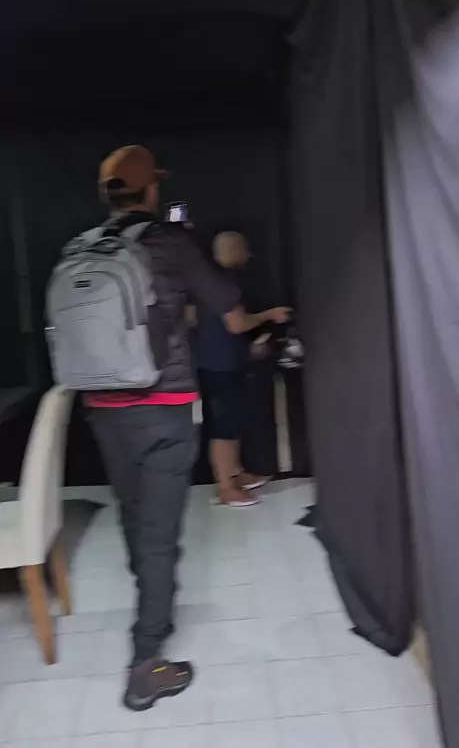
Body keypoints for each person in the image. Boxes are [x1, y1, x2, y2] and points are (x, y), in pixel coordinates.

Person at [85, 145, 289, 712]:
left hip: (102, 407)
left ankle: (149, 605)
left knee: (134, 518)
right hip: (162, 403)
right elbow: (228, 310)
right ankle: (146, 663)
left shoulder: (85, 246)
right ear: (151, 190)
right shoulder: (170, 242)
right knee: (160, 533)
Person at [197, 231, 289, 506]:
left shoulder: (209, 282)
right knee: (224, 427)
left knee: (232, 422)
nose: (248, 255)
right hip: (220, 366)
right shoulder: (223, 284)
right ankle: (226, 489)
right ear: (234, 250)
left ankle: (235, 474)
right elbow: (237, 324)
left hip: (221, 362)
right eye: (244, 248)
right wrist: (270, 315)